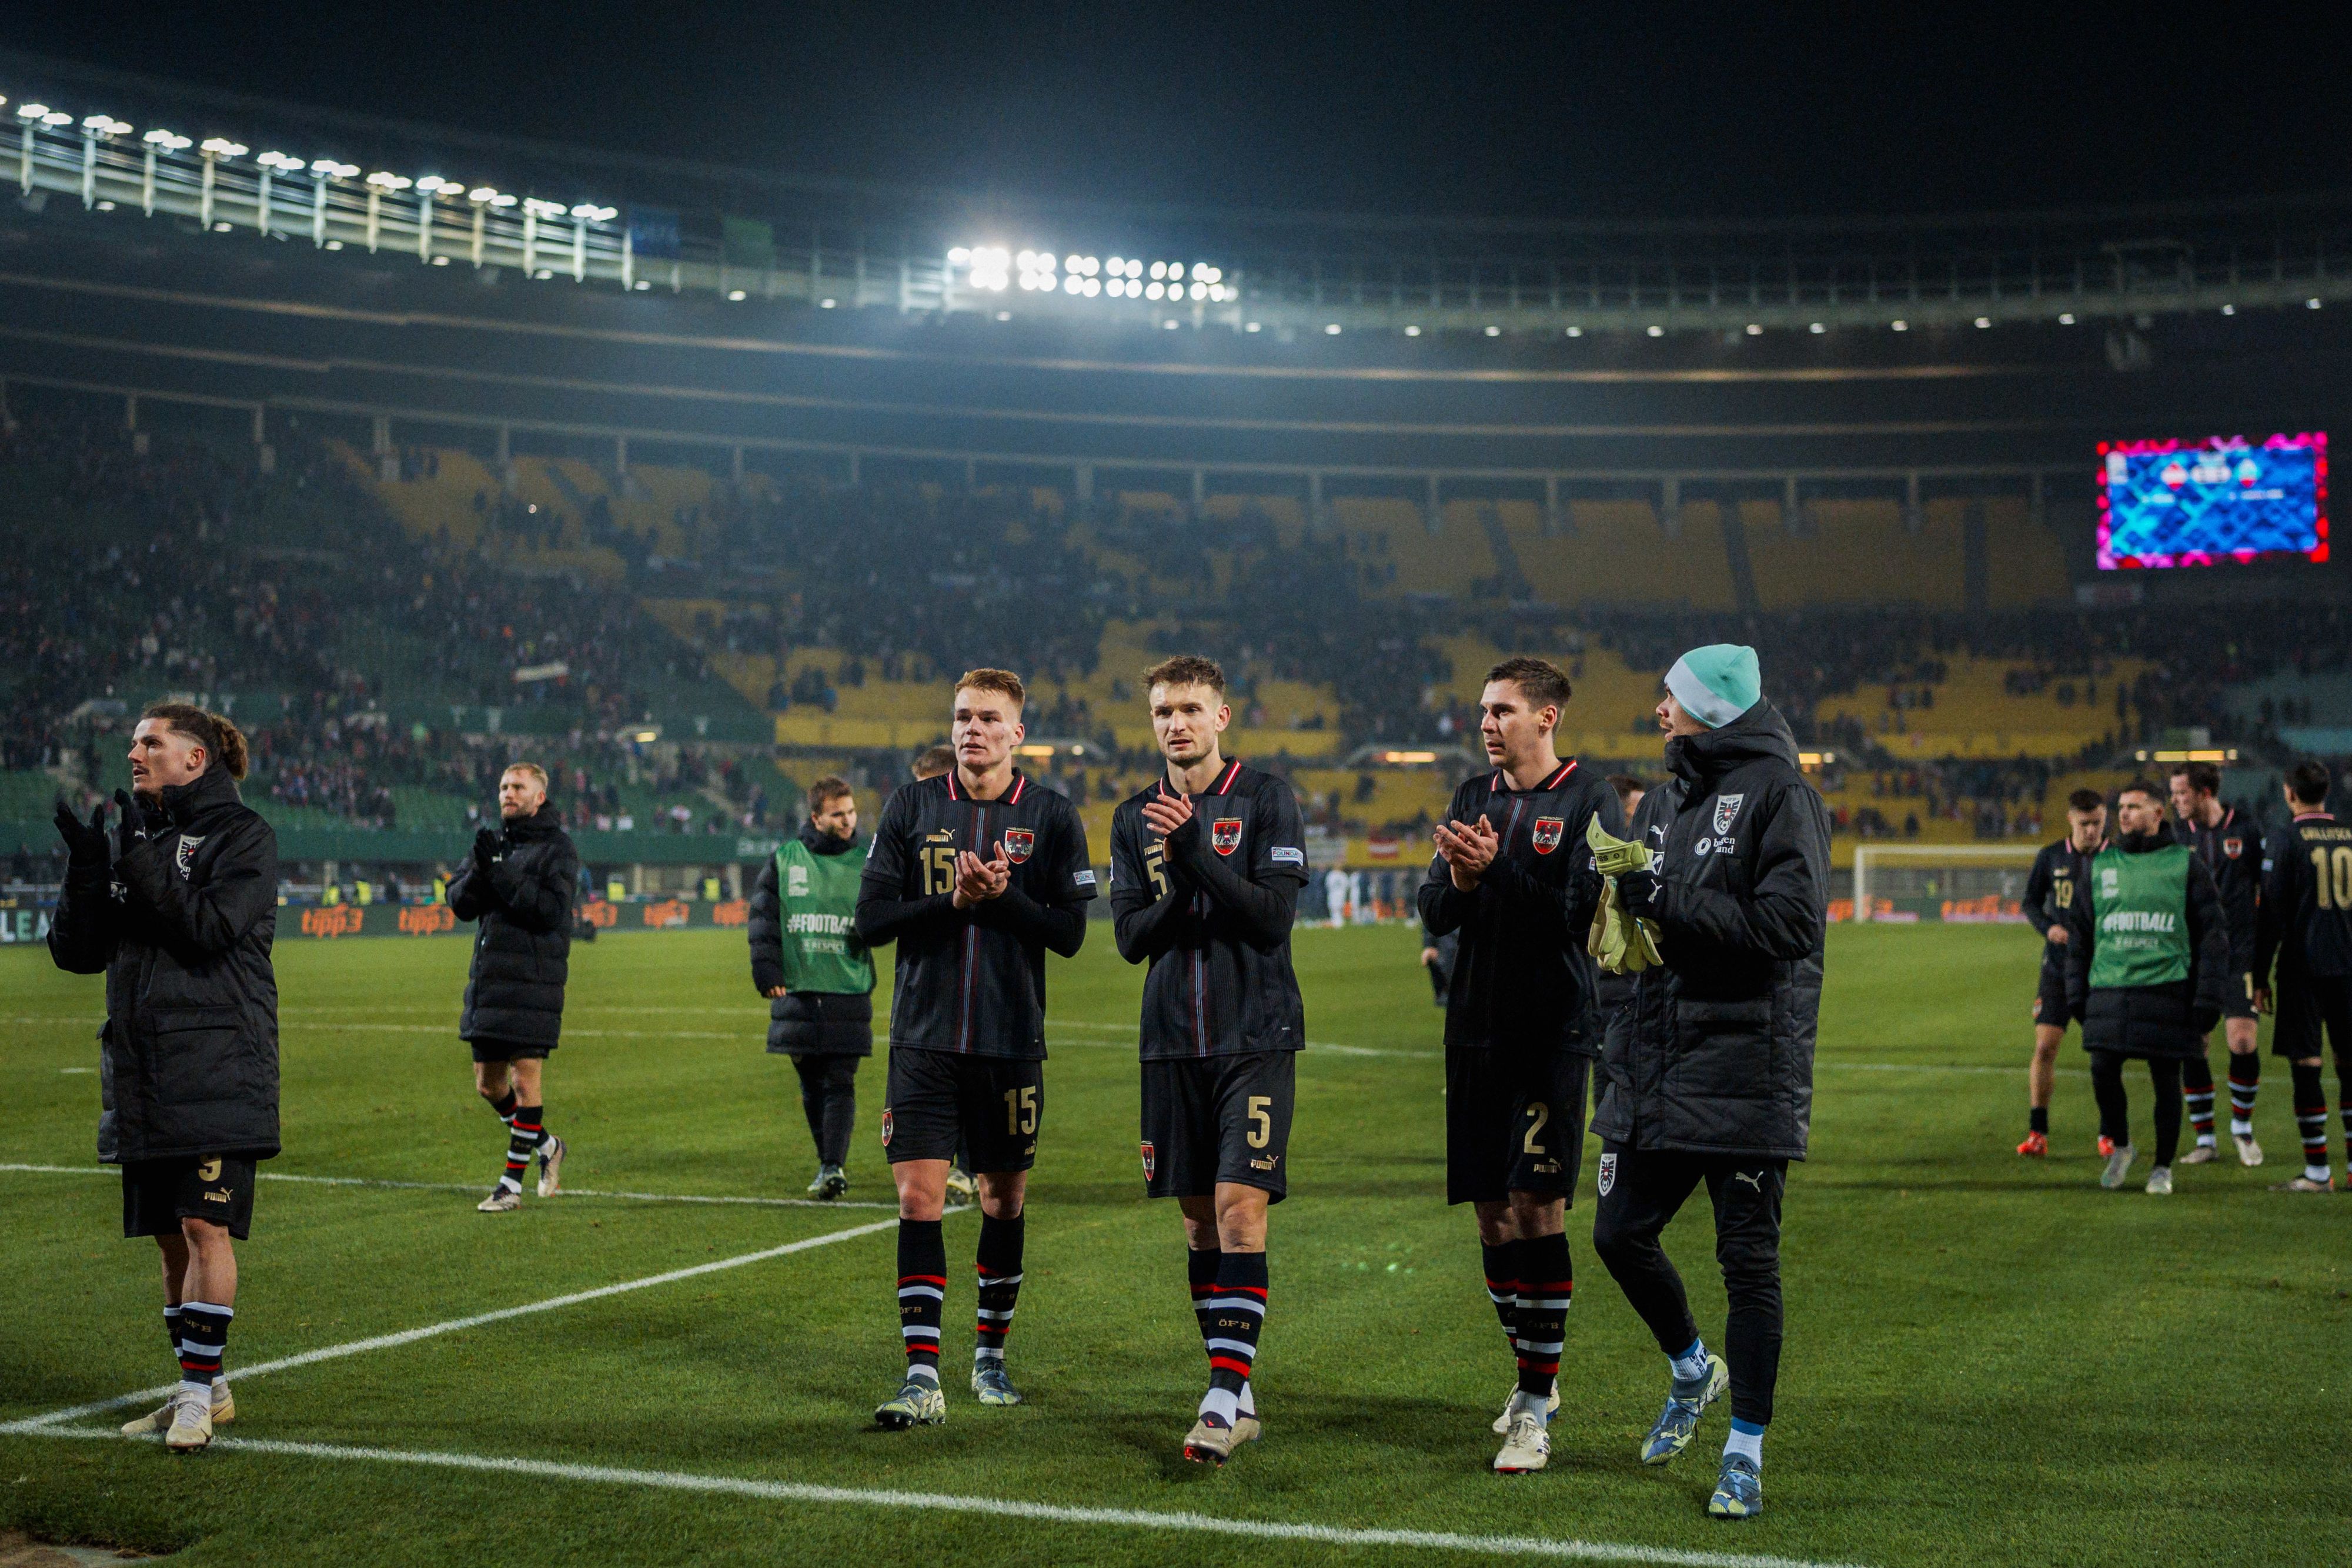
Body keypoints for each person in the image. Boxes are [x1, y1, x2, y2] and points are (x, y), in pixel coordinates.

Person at [1589, 644, 1830, 1521]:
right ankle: (1693, 1367)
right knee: (1617, 1234)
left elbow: (1792, 924)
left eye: (1673, 697)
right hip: (1656, 1060)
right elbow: (1649, 914)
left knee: (1748, 1266)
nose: (1660, 708)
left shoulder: (1782, 793)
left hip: (1743, 1067)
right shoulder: (1663, 796)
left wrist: (1664, 893)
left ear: (1714, 709)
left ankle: (1745, 1451)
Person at [855, 668, 1095, 1428]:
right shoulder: (912, 804)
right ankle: (922, 1373)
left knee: (1003, 1197)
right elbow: (871, 919)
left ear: (1018, 733)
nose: (972, 729)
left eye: (989, 718)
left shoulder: (1052, 816)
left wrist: (1004, 899)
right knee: (917, 1196)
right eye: (962, 716)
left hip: (1009, 1040)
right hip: (923, 1038)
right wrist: (952, 902)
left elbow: (1069, 934)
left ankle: (990, 1353)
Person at [49, 703, 280, 1453]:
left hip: (216, 1063)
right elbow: (79, 955)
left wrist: (141, 862)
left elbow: (209, 929)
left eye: (152, 742)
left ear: (196, 760)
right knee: (168, 1241)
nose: (135, 753)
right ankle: (206, 1388)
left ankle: (189, 1396)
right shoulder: (137, 840)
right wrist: (90, 873)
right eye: (132, 743)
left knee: (203, 1225)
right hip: (142, 1069)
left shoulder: (242, 837)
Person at [1418, 657, 1620, 1475]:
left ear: (1548, 717)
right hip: (1474, 1028)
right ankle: (1533, 1370)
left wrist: (1493, 868)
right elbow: (1434, 907)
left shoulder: (1589, 798)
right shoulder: (1473, 795)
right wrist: (1463, 879)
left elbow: (1577, 912)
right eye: (1482, 710)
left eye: (1502, 710)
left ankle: (1536, 1402)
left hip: (1551, 1031)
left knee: (1540, 1210)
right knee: (1493, 1216)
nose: (1487, 723)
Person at [1109, 656, 1309, 1465]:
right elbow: (1129, 937)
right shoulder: (1132, 817)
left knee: (1238, 1208)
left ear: (1223, 715)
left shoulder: (1266, 799)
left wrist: (1194, 859)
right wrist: (1186, 887)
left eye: (1191, 706)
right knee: (1198, 1219)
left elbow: (1270, 919)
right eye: (1162, 709)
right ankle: (1240, 1386)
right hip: (1170, 1043)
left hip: (1253, 1034)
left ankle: (1221, 1401)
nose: (1175, 722)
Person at [2063, 781, 2229, 1196]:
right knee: (2102, 1068)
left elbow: (2213, 934)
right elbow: (2080, 936)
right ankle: (2122, 1147)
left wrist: (2207, 998)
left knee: (2165, 1079)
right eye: (2121, 806)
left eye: (2134, 807)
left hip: (2167, 989)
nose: (2124, 814)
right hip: (2111, 989)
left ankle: (2162, 1167)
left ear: (2158, 814)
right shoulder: (2101, 866)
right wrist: (2076, 995)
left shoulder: (2185, 865)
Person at [448, 763, 580, 1213]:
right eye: (503, 785)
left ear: (539, 796)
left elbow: (548, 911)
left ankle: (510, 1186)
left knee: (526, 1084)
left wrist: (501, 872)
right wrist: (485, 869)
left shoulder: (558, 849)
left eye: (518, 786)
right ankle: (548, 1146)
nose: (508, 792)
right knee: (488, 1084)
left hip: (533, 982)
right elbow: (460, 903)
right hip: (489, 982)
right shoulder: (493, 843)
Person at [748, 775, 875, 1199]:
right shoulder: (785, 859)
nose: (848, 820)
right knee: (810, 1083)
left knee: (840, 1081)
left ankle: (833, 1165)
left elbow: (884, 918)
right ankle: (828, 1162)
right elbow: (764, 921)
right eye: (838, 814)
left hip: (847, 985)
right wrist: (767, 971)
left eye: (851, 812)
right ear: (816, 817)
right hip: (797, 990)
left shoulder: (868, 861)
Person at [2253, 761, 2352, 1192]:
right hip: (2349, 967)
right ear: (2325, 792)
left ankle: (2316, 1172)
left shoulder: (2286, 837)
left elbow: (2271, 913)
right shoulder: (2349, 835)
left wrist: (2259, 975)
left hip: (2304, 968)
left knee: (2307, 1065)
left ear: (2290, 792)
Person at [2168, 762, 2264, 1164]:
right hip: (2193, 956)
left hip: (2239, 952)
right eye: (2173, 794)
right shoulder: (2174, 837)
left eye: (2182, 794)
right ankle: (2205, 1140)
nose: (2175, 802)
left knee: (2242, 1040)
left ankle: (2242, 1129)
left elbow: (2267, 885)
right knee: (2195, 1045)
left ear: (2204, 792)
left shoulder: (2245, 828)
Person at [2016, 789, 2109, 1156]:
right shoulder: (2051, 857)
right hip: (2058, 966)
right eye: (2084, 824)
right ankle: (2038, 1133)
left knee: (2103, 1053)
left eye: (2098, 823)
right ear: (2071, 820)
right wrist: (2047, 928)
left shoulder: (2117, 858)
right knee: (2044, 1047)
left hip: (2103, 967)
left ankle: (2110, 1133)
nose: (2091, 831)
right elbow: (2030, 902)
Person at [909, 744, 977, 1202]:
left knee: (972, 1081)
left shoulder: (973, 826)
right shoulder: (913, 829)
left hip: (972, 976)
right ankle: (951, 1166)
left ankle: (970, 1167)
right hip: (926, 979)